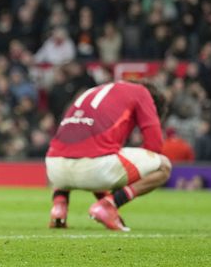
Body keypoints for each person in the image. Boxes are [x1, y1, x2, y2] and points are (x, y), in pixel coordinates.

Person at [45, 80, 172, 231]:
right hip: (95, 167)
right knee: (163, 166)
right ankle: (109, 205)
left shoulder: (95, 90)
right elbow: (154, 146)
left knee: (77, 150)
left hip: (54, 170)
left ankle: (59, 206)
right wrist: (112, 201)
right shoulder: (142, 93)